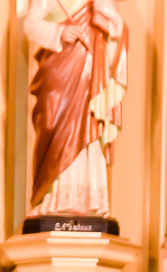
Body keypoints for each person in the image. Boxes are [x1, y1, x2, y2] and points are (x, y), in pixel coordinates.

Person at [23, 0, 127, 216]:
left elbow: (114, 30)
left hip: (91, 75)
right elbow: (31, 25)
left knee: (88, 125)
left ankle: (87, 198)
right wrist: (60, 32)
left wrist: (113, 23)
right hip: (58, 72)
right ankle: (52, 197)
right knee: (51, 121)